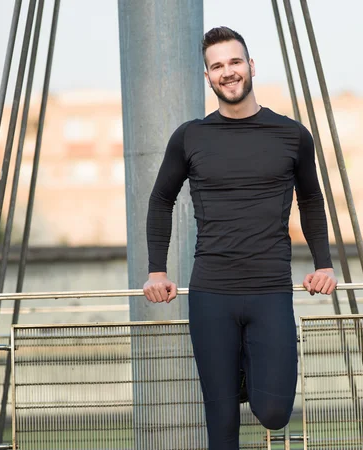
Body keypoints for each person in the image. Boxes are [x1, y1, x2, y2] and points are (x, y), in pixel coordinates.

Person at [142, 26, 337, 449]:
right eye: (217, 66)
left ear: (250, 66)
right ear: (208, 77)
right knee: (222, 425)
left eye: (234, 62)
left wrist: (324, 264)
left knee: (274, 413)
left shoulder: (291, 135)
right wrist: (156, 270)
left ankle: (247, 366)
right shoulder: (190, 136)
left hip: (270, 290)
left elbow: (312, 199)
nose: (227, 72)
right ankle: (233, 376)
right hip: (213, 292)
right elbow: (161, 200)